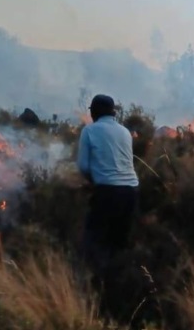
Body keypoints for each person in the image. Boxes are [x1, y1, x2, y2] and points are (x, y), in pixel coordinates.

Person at [77, 94, 139, 274]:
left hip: (107, 193)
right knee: (120, 244)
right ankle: (120, 285)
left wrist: (92, 181)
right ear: (113, 113)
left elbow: (83, 166)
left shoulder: (89, 131)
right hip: (131, 193)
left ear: (94, 112)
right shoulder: (125, 132)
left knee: (94, 243)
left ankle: (95, 286)